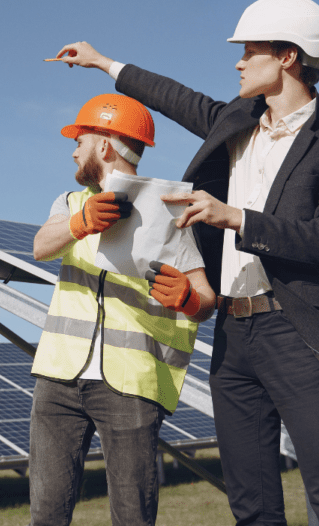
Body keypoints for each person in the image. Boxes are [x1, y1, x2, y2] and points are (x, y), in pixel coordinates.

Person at [51, 0, 319, 525]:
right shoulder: (236, 122)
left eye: (250, 51)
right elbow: (175, 97)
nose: (238, 62)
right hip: (233, 334)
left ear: (288, 57)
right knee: (251, 505)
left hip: (297, 332)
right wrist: (103, 61)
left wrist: (236, 218)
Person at [29, 93, 216, 526]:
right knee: (46, 515)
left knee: (132, 516)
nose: (74, 148)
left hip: (131, 385)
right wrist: (81, 224)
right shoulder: (70, 204)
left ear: (106, 145)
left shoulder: (171, 213)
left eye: (81, 138)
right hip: (58, 379)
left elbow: (205, 300)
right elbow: (40, 246)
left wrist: (188, 298)